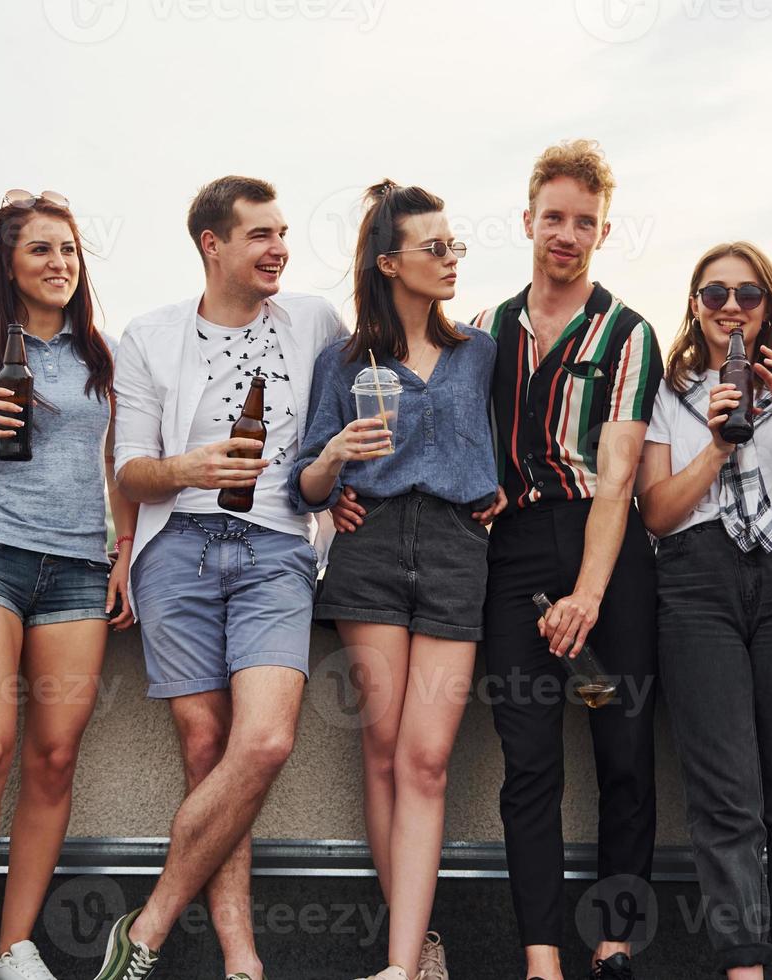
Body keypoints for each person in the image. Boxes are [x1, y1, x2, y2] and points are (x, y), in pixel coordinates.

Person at [339, 140, 662, 980]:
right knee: (530, 763)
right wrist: (345, 488)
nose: (567, 233)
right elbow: (437, 438)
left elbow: (620, 478)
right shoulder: (481, 334)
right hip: (512, 556)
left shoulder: (629, 333)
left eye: (584, 221)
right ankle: (542, 958)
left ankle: (617, 938)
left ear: (602, 230)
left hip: (603, 551)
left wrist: (589, 594)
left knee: (622, 751)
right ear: (528, 220)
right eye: (553, 217)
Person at [91, 176, 347, 980]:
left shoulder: (314, 321)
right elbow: (130, 471)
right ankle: (243, 962)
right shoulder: (150, 334)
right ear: (212, 244)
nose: (279, 249)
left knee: (263, 741)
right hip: (178, 549)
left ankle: (150, 922)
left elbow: (354, 415)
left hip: (276, 545)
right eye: (261, 235)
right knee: (206, 750)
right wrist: (187, 467)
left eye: (282, 235)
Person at [289, 180, 504, 980]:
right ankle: (409, 959)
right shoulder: (342, 362)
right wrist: (336, 457)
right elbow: (304, 483)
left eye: (455, 247)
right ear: (389, 263)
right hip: (370, 546)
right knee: (381, 749)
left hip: (455, 551)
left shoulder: (481, 352)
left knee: (425, 760)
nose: (450, 260)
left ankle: (407, 958)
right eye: (434, 248)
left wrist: (504, 482)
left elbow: (509, 442)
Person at [0, 190, 137, 980]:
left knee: (53, 757)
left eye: (70, 251)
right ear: (7, 264)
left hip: (78, 570)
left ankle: (16, 946)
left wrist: (122, 554)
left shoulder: (102, 354)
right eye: (42, 251)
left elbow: (118, 465)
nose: (60, 265)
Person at [636, 242, 772, 979]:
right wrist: (717, 447)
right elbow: (657, 514)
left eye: (748, 295)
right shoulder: (667, 391)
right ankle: (744, 965)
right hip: (695, 581)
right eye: (715, 293)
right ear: (694, 304)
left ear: (770, 305)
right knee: (725, 795)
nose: (731, 307)